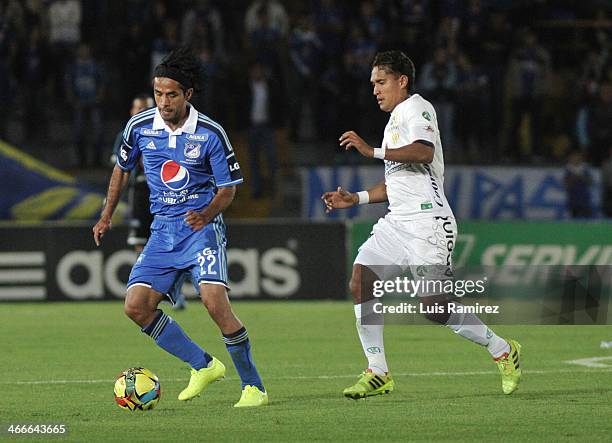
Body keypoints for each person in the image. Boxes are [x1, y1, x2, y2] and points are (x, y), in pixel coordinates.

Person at [322, 51, 521, 399]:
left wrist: (372, 152)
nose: (375, 91)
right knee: (361, 280)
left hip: (429, 222)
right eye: (372, 85)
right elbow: (397, 183)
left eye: (381, 82)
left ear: (402, 81)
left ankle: (503, 349)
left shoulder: (418, 108)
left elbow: (423, 153)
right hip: (397, 222)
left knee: (434, 306)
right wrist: (355, 198)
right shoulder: (394, 121)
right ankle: (378, 371)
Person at [93, 47, 268, 407]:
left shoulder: (210, 133)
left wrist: (206, 214)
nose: (163, 101)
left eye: (171, 94)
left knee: (213, 302)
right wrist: (106, 214)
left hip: (201, 229)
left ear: (188, 94)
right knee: (136, 306)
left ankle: (254, 387)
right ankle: (202, 365)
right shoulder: (139, 126)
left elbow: (228, 189)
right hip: (163, 231)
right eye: (158, 93)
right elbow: (121, 170)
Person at [110, 94, 188, 310]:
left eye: (146, 108)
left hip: (164, 194)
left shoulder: (168, 131)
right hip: (139, 193)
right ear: (131, 111)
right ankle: (148, 290)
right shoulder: (126, 134)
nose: (141, 112)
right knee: (140, 243)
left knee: (171, 243)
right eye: (138, 109)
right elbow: (119, 166)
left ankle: (175, 293)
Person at [563, 150, 594, 218]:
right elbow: (566, 185)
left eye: (577, 157)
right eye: (573, 157)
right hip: (572, 199)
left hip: (584, 198)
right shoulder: (568, 169)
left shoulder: (585, 168)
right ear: (570, 158)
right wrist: (574, 177)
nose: (575, 159)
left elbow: (590, 183)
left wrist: (581, 176)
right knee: (574, 218)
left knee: (587, 218)